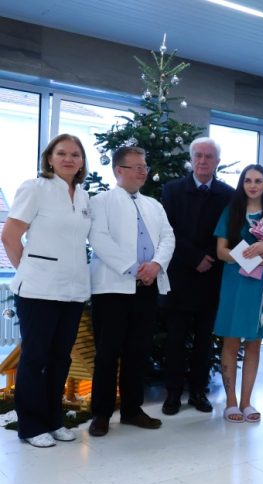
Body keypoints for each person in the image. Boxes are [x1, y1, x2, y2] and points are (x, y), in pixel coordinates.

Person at [1, 134, 90, 448]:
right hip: (38, 290)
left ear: (82, 162)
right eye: (61, 153)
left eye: (75, 154)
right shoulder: (35, 188)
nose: (68, 159)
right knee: (35, 358)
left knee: (60, 358)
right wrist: (28, 269)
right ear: (49, 159)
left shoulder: (83, 196)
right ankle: (30, 425)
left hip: (73, 289)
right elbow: (9, 236)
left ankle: (54, 420)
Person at [87, 146, 175, 437]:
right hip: (111, 288)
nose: (143, 172)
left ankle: (132, 410)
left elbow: (168, 237)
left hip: (146, 288)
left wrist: (156, 265)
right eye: (137, 167)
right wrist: (133, 268)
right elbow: (98, 238)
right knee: (107, 353)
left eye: (144, 167)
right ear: (118, 170)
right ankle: (101, 414)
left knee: (138, 351)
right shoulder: (100, 201)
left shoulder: (154, 205)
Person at [160, 137, 234, 415]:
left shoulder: (228, 194)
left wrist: (209, 258)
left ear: (217, 162)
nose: (203, 161)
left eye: (209, 156)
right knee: (175, 340)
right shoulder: (172, 190)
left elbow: (230, 232)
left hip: (211, 277)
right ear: (191, 159)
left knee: (204, 341)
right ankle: (173, 393)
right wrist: (194, 257)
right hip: (179, 275)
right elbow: (167, 231)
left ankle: (198, 392)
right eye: (198, 156)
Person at [214, 165, 263, 422]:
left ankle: (247, 402)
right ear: (242, 184)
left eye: (258, 181)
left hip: (261, 287)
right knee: (231, 341)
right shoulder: (231, 211)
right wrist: (248, 257)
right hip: (234, 284)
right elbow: (221, 251)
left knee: (254, 343)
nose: (253, 185)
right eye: (248, 180)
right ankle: (231, 403)